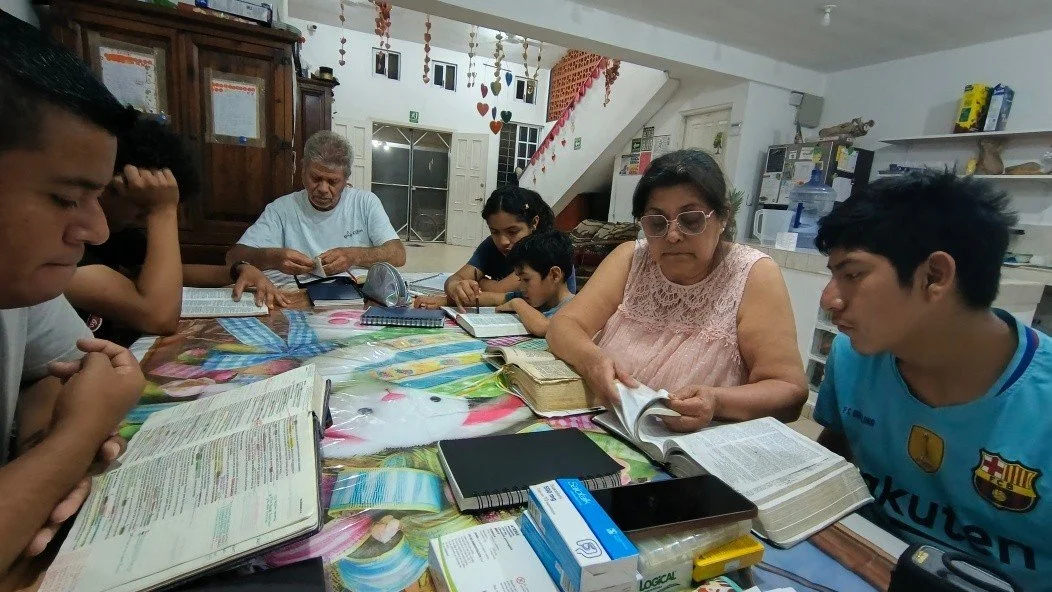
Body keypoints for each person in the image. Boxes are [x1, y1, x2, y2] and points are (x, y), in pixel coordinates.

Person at [812, 171, 1049, 589]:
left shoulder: (1040, 403)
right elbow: (834, 467)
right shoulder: (853, 359)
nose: (830, 299)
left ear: (935, 275)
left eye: (852, 274)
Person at [0, 11, 145, 576]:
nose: (100, 231)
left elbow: (52, 373)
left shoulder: (23, 287)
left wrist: (43, 455)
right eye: (66, 198)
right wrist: (74, 442)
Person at [548, 150, 806, 432]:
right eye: (657, 223)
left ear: (722, 218)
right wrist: (592, 360)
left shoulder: (752, 275)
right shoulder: (631, 259)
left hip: (691, 453)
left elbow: (789, 392)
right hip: (608, 429)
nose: (672, 235)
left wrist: (717, 402)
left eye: (691, 220)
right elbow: (564, 325)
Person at [64, 116, 286, 344]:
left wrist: (238, 271)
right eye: (142, 208)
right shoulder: (62, 252)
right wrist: (161, 210)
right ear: (112, 187)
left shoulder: (119, 234)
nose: (142, 220)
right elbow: (159, 316)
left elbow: (172, 272)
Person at [226, 130, 405, 285]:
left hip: (356, 299)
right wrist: (274, 258)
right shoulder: (281, 209)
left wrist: (354, 255)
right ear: (303, 170)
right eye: (315, 178)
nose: (322, 189)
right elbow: (233, 257)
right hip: (297, 297)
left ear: (346, 178)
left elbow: (397, 254)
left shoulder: (365, 202)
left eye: (333, 181)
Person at [416, 229, 575, 337]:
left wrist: (517, 304)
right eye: (520, 280)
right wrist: (443, 301)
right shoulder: (535, 299)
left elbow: (545, 327)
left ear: (554, 275)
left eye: (526, 279)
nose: (521, 287)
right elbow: (490, 298)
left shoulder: (574, 307)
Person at [444, 185, 577, 309]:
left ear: (534, 223)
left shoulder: (547, 252)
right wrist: (456, 287)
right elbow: (455, 278)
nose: (503, 241)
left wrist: (481, 281)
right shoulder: (491, 245)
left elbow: (499, 291)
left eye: (512, 232)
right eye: (494, 232)